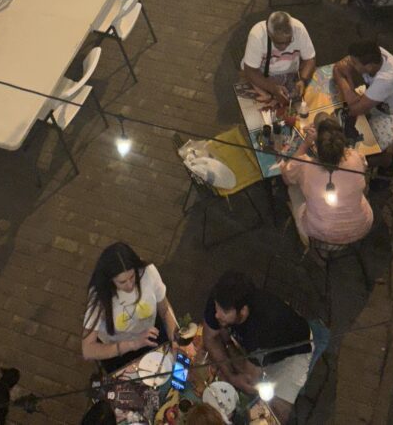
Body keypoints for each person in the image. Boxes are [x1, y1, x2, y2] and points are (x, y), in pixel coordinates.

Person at [201, 272, 313, 423]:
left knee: (275, 413)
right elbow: (209, 338)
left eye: (224, 312)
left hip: (293, 352)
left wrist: (227, 356)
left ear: (243, 311)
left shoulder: (263, 328)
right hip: (252, 348)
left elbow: (249, 379)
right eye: (216, 308)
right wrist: (232, 376)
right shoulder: (221, 300)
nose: (217, 315)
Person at [81, 242, 179, 372]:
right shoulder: (100, 294)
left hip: (151, 337)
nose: (129, 285)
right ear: (110, 280)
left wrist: (176, 337)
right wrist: (132, 344)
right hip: (119, 353)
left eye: (132, 277)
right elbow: (88, 350)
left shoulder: (147, 272)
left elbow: (165, 310)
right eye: (122, 282)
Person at [280, 114, 373, 247]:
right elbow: (363, 165)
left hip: (321, 233)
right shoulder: (356, 158)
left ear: (317, 145)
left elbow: (286, 176)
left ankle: (312, 242)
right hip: (361, 227)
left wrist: (305, 144)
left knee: (293, 187)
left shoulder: (305, 166)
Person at [333, 39, 393, 151]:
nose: (350, 63)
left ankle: (388, 160)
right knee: (344, 106)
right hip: (381, 100)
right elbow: (341, 65)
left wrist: (344, 77)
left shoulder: (385, 80)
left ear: (369, 67)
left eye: (354, 63)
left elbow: (355, 109)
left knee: (359, 147)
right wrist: (344, 69)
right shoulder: (376, 55)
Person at [240, 11, 316, 102]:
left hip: (290, 73)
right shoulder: (257, 35)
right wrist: (272, 88)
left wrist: (302, 80)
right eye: (279, 43)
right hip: (263, 74)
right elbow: (250, 70)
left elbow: (310, 59)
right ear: (269, 34)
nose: (284, 47)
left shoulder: (299, 29)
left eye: (289, 41)